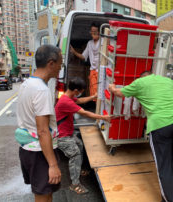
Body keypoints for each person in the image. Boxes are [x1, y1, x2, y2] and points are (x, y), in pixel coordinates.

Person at [109, 71, 173, 202]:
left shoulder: (140, 83)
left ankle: (170, 199)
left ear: (141, 77)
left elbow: (119, 93)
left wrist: (111, 87)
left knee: (163, 165)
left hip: (160, 125)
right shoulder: (166, 80)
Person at [16, 45, 62, 202]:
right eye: (60, 64)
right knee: (43, 196)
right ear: (51, 63)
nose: (60, 68)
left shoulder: (27, 84)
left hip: (29, 150)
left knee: (45, 193)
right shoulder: (41, 90)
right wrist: (53, 165)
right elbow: (43, 131)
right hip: (39, 152)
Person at [55, 77, 111, 194]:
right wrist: (103, 117)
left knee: (79, 144)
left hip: (68, 133)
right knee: (75, 154)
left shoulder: (67, 97)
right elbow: (84, 112)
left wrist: (93, 97)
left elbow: (80, 101)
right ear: (75, 90)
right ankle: (75, 184)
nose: (80, 94)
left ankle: (77, 169)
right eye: (80, 92)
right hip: (62, 137)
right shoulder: (66, 101)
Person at [70, 23, 101, 98]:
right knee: (94, 94)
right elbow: (83, 56)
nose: (93, 33)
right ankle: (97, 108)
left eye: (95, 31)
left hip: (102, 71)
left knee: (101, 93)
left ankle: (99, 109)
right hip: (93, 71)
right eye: (91, 31)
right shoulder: (90, 43)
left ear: (99, 32)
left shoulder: (104, 41)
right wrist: (74, 52)